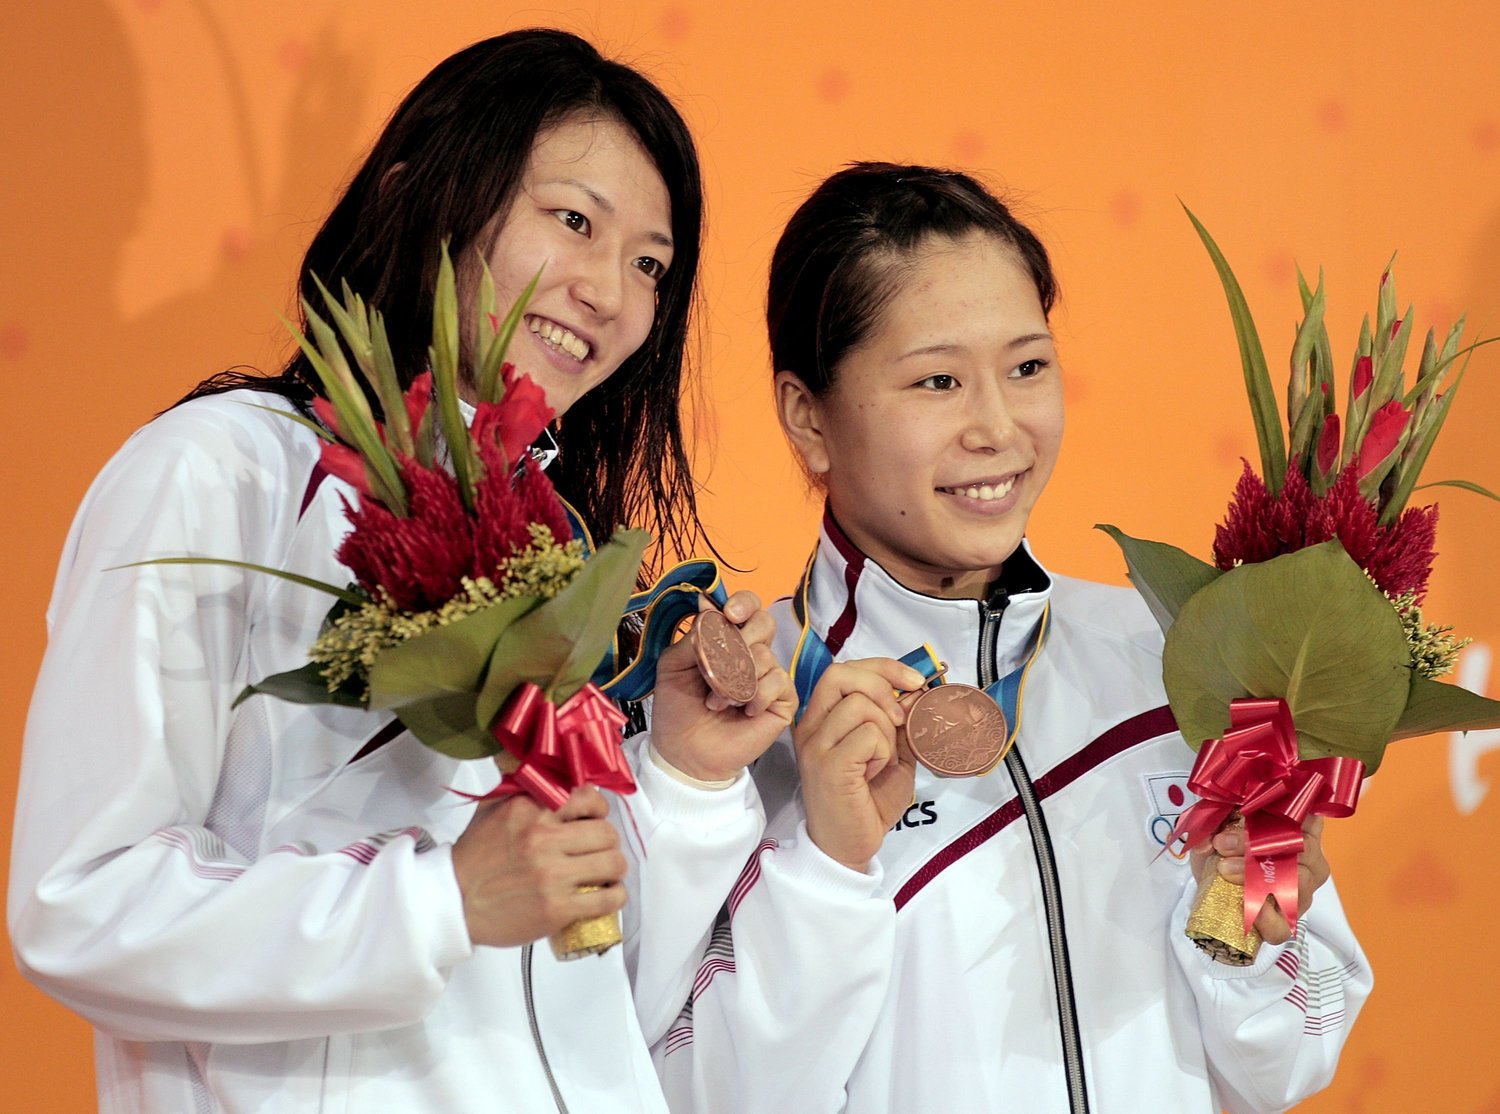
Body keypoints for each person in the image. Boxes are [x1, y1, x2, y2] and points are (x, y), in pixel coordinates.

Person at [10, 29, 792, 1114]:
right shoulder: (223, 471)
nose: (610, 292)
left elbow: (596, 991)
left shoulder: (557, 547)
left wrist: (691, 786)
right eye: (574, 221)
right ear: (425, 196)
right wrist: (435, 904)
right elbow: (79, 904)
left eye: (650, 265)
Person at [654, 163, 1370, 1113]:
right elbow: (693, 1092)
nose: (999, 426)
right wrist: (826, 866)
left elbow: (1287, 1064)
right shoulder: (726, 721)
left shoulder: (1172, 662)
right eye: (938, 380)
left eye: (1027, 366)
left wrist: (1237, 921)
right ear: (806, 416)